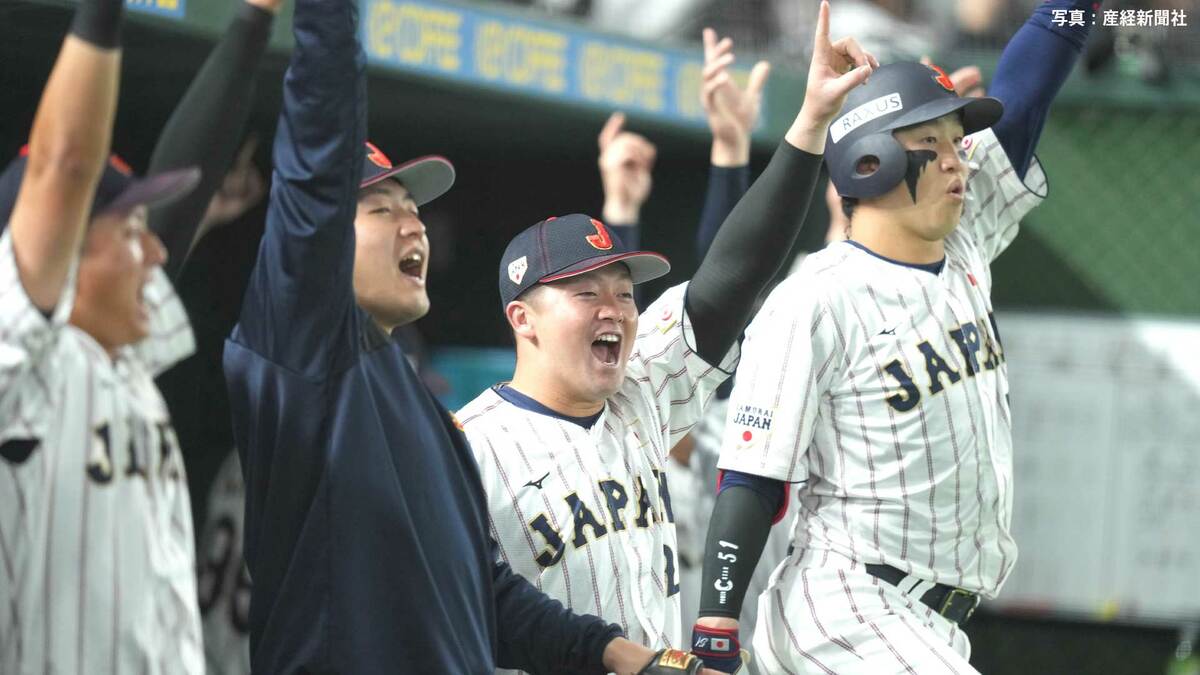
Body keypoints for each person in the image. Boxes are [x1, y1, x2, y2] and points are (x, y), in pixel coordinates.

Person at [220, 0, 720, 671]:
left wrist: (620, 654)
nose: (412, 225)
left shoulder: (421, 407)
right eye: (379, 209)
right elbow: (315, 163)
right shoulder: (300, 358)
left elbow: (486, 594)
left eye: (414, 209)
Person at [456, 1, 878, 667]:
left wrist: (808, 127)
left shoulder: (639, 393)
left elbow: (731, 280)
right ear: (522, 318)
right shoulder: (467, 447)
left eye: (625, 294)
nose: (615, 310)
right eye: (585, 292)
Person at [691, 1, 1098, 673]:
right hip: (847, 604)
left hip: (928, 621)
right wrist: (714, 629)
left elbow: (1025, 97)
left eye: (956, 144)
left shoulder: (965, 244)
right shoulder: (815, 299)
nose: (956, 162)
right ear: (869, 160)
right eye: (930, 144)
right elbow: (750, 478)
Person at [0, 0, 204, 668]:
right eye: (130, 230)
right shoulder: (22, 369)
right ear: (62, 251)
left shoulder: (127, 366)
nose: (155, 253)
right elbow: (62, 165)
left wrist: (257, 22)